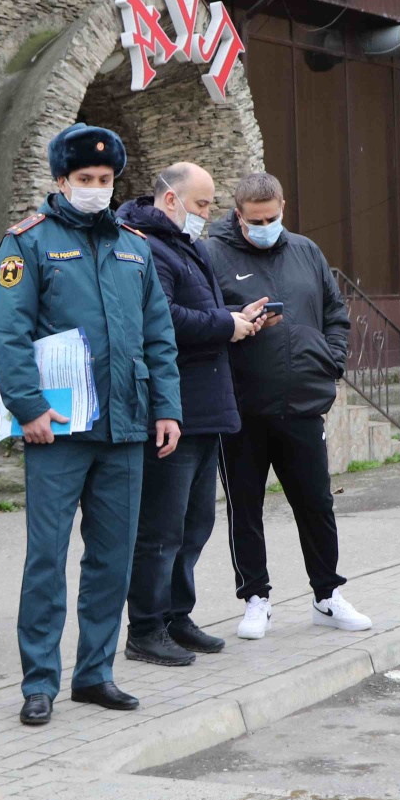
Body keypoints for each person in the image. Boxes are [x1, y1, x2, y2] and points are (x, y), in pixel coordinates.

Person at [0, 123, 181, 726]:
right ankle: (39, 681)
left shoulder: (133, 245)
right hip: (58, 429)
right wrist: (28, 407)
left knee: (112, 557)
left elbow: (158, 334)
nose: (96, 188)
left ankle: (94, 674)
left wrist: (167, 407)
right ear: (61, 180)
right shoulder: (28, 244)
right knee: (46, 556)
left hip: (125, 425)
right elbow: (6, 332)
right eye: (85, 179)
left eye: (105, 179)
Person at [203, 171, 372, 639]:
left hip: (301, 402)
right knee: (246, 508)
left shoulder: (306, 251)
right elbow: (202, 321)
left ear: (283, 207)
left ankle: (326, 596)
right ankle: (255, 599)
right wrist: (235, 323)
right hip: (241, 409)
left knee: (316, 503)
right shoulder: (212, 254)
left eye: (272, 217)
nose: (264, 226)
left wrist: (332, 362)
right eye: (255, 220)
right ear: (238, 215)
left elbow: (336, 314)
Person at [117, 163, 270, 666]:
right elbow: (161, 320)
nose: (208, 215)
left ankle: (175, 615)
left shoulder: (183, 245)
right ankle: (145, 628)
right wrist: (225, 325)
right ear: (170, 200)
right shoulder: (145, 247)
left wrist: (239, 317)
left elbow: (199, 310)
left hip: (204, 409)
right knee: (161, 528)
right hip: (173, 409)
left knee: (195, 523)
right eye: (201, 205)